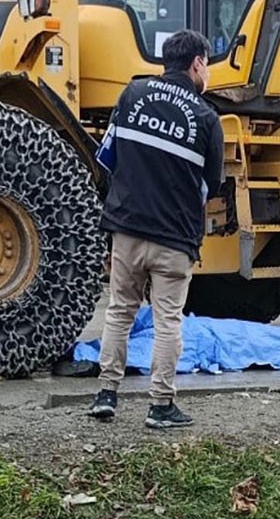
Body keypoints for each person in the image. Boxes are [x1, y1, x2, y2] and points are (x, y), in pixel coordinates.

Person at [88, 29, 225, 429]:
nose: (208, 73)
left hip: (127, 228)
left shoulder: (131, 95)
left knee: (119, 312)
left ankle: (106, 395)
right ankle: (160, 405)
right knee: (167, 321)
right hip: (174, 238)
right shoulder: (206, 118)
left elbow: (107, 158)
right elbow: (212, 185)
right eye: (207, 65)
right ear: (197, 63)